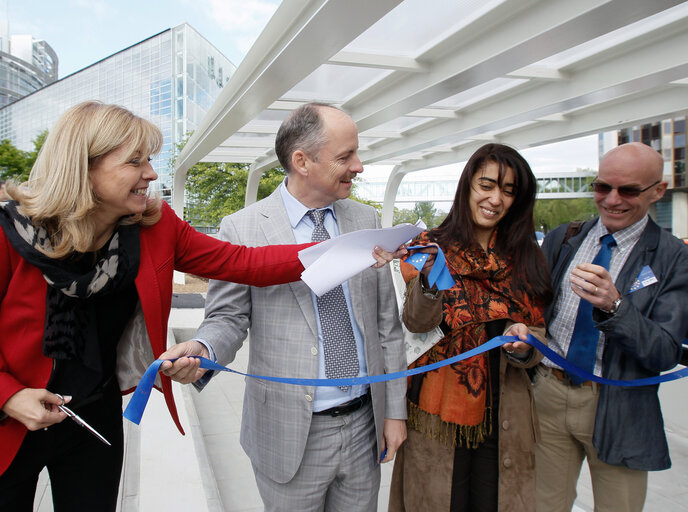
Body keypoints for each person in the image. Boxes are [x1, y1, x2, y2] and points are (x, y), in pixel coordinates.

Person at [0, 101, 396, 511]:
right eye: (135, 161)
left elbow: (243, 262)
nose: (152, 174)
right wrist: (8, 396)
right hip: (2, 424)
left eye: (150, 160)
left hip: (92, 421)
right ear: (83, 167)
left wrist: (342, 249)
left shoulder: (154, 226)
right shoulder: (7, 234)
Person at [162, 102, 408, 511]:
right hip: (288, 434)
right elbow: (228, 317)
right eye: (346, 156)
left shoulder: (367, 223)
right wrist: (204, 349)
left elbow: (388, 326)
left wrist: (394, 412)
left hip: (365, 424)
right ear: (302, 161)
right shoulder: (242, 228)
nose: (359, 166)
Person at [388, 143, 553, 512]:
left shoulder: (526, 256)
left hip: (505, 412)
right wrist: (430, 282)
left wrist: (526, 344)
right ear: (467, 186)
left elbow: (538, 334)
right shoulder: (429, 247)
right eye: (487, 185)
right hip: (437, 413)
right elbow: (416, 323)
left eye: (509, 191)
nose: (495, 198)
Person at [535, 142, 688, 512]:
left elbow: (665, 351)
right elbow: (531, 309)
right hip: (548, 398)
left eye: (628, 190)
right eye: (603, 187)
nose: (612, 199)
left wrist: (614, 306)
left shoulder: (672, 257)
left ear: (658, 191)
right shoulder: (564, 238)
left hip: (620, 406)